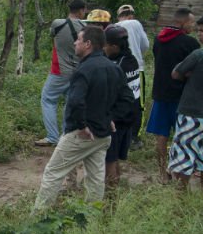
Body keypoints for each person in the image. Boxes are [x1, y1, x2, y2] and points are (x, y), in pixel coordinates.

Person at [33, 27, 133, 211]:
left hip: (82, 134)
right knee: (95, 179)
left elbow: (75, 101)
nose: (75, 43)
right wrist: (111, 118)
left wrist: (81, 125)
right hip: (103, 135)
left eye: (78, 40)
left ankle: (38, 218)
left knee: (53, 173)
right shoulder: (113, 68)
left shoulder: (84, 70)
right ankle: (91, 219)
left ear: (88, 44)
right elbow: (127, 99)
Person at [167, 14, 203, 192]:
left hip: (191, 113)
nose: (199, 34)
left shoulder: (200, 54)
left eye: (202, 31)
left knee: (184, 156)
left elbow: (176, 73)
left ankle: (180, 197)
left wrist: (191, 74)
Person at [147, 8, 200, 183]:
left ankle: (162, 173)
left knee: (161, 135)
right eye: (192, 23)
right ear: (183, 22)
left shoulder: (159, 38)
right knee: (181, 135)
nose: (193, 26)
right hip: (182, 96)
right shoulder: (190, 43)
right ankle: (177, 172)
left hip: (161, 93)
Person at [35, 0, 87, 147]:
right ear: (81, 10)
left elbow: (52, 35)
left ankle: (52, 137)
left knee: (48, 99)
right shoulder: (86, 28)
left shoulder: (58, 23)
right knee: (70, 102)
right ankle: (66, 135)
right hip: (79, 71)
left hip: (59, 70)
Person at [103, 26, 140, 190]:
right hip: (128, 116)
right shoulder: (130, 59)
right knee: (114, 157)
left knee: (109, 159)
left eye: (105, 45)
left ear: (115, 47)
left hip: (118, 119)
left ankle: (111, 193)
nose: (103, 48)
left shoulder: (120, 65)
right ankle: (114, 185)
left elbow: (116, 94)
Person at [116, 4, 149, 149]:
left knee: (118, 99)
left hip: (118, 68)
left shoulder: (113, 26)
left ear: (118, 16)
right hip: (136, 68)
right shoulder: (136, 24)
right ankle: (134, 137)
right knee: (137, 102)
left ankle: (118, 132)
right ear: (132, 15)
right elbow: (145, 45)